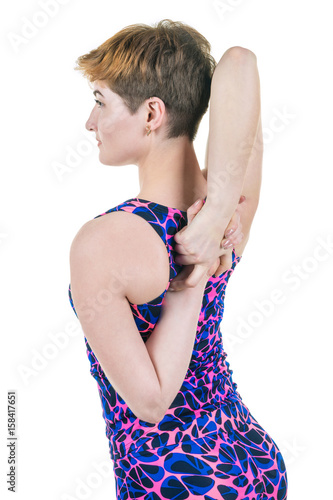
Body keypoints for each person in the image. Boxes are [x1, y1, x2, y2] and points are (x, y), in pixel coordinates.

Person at [68, 19, 288, 499]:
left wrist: (191, 280)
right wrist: (213, 222)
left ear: (152, 113)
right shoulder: (226, 207)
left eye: (100, 101)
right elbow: (241, 64)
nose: (90, 121)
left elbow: (150, 401)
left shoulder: (103, 241)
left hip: (174, 480)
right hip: (253, 463)